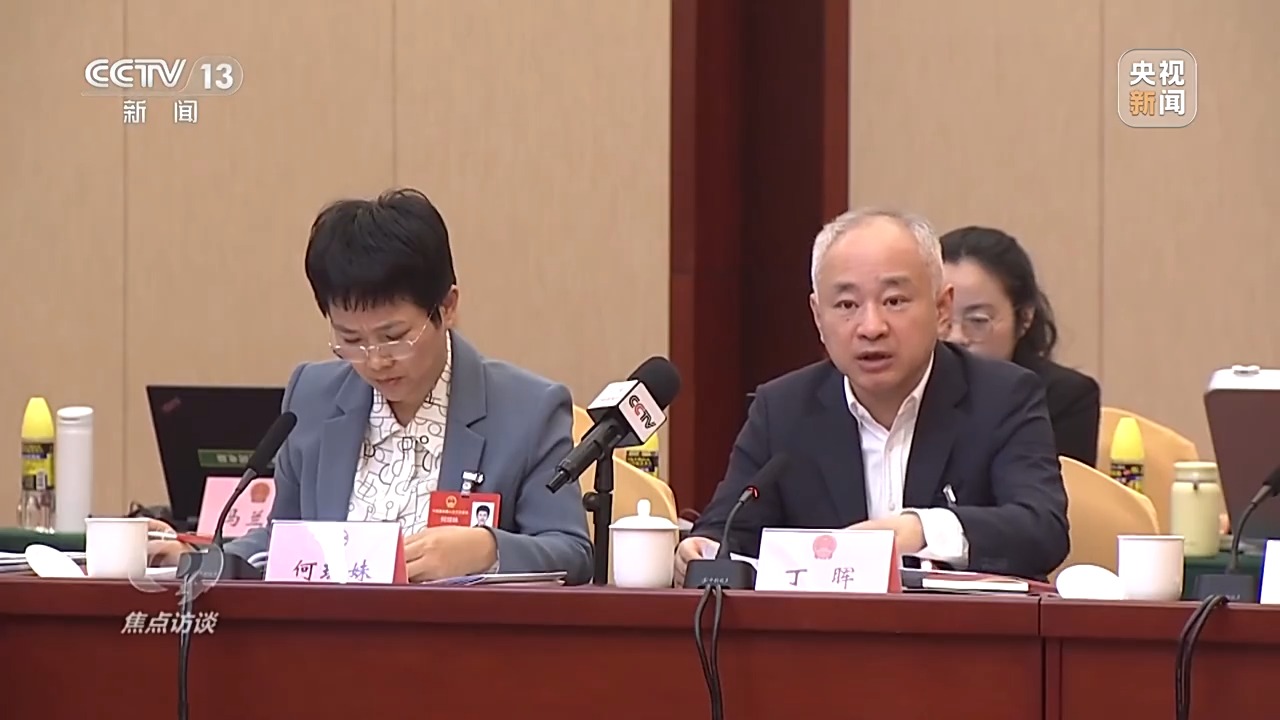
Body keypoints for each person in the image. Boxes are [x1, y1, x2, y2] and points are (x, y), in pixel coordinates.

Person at [149, 188, 593, 584]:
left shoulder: (528, 409)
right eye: (351, 339)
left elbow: (572, 554)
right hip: (328, 638)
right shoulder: (314, 395)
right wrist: (200, 558)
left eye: (394, 336)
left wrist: (486, 549)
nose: (376, 360)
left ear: (447, 306)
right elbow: (285, 542)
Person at [674, 209, 1069, 584]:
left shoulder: (1003, 397)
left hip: (960, 631)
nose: (871, 327)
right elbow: (727, 529)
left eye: (894, 301)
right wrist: (701, 548)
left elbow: (1042, 528)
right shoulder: (782, 409)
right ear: (818, 317)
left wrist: (919, 530)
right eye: (847, 305)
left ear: (941, 308)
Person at [940, 226, 1100, 466]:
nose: (954, 337)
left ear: (1024, 318)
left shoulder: (1064, 397)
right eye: (941, 316)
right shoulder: (905, 391)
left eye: (978, 320)